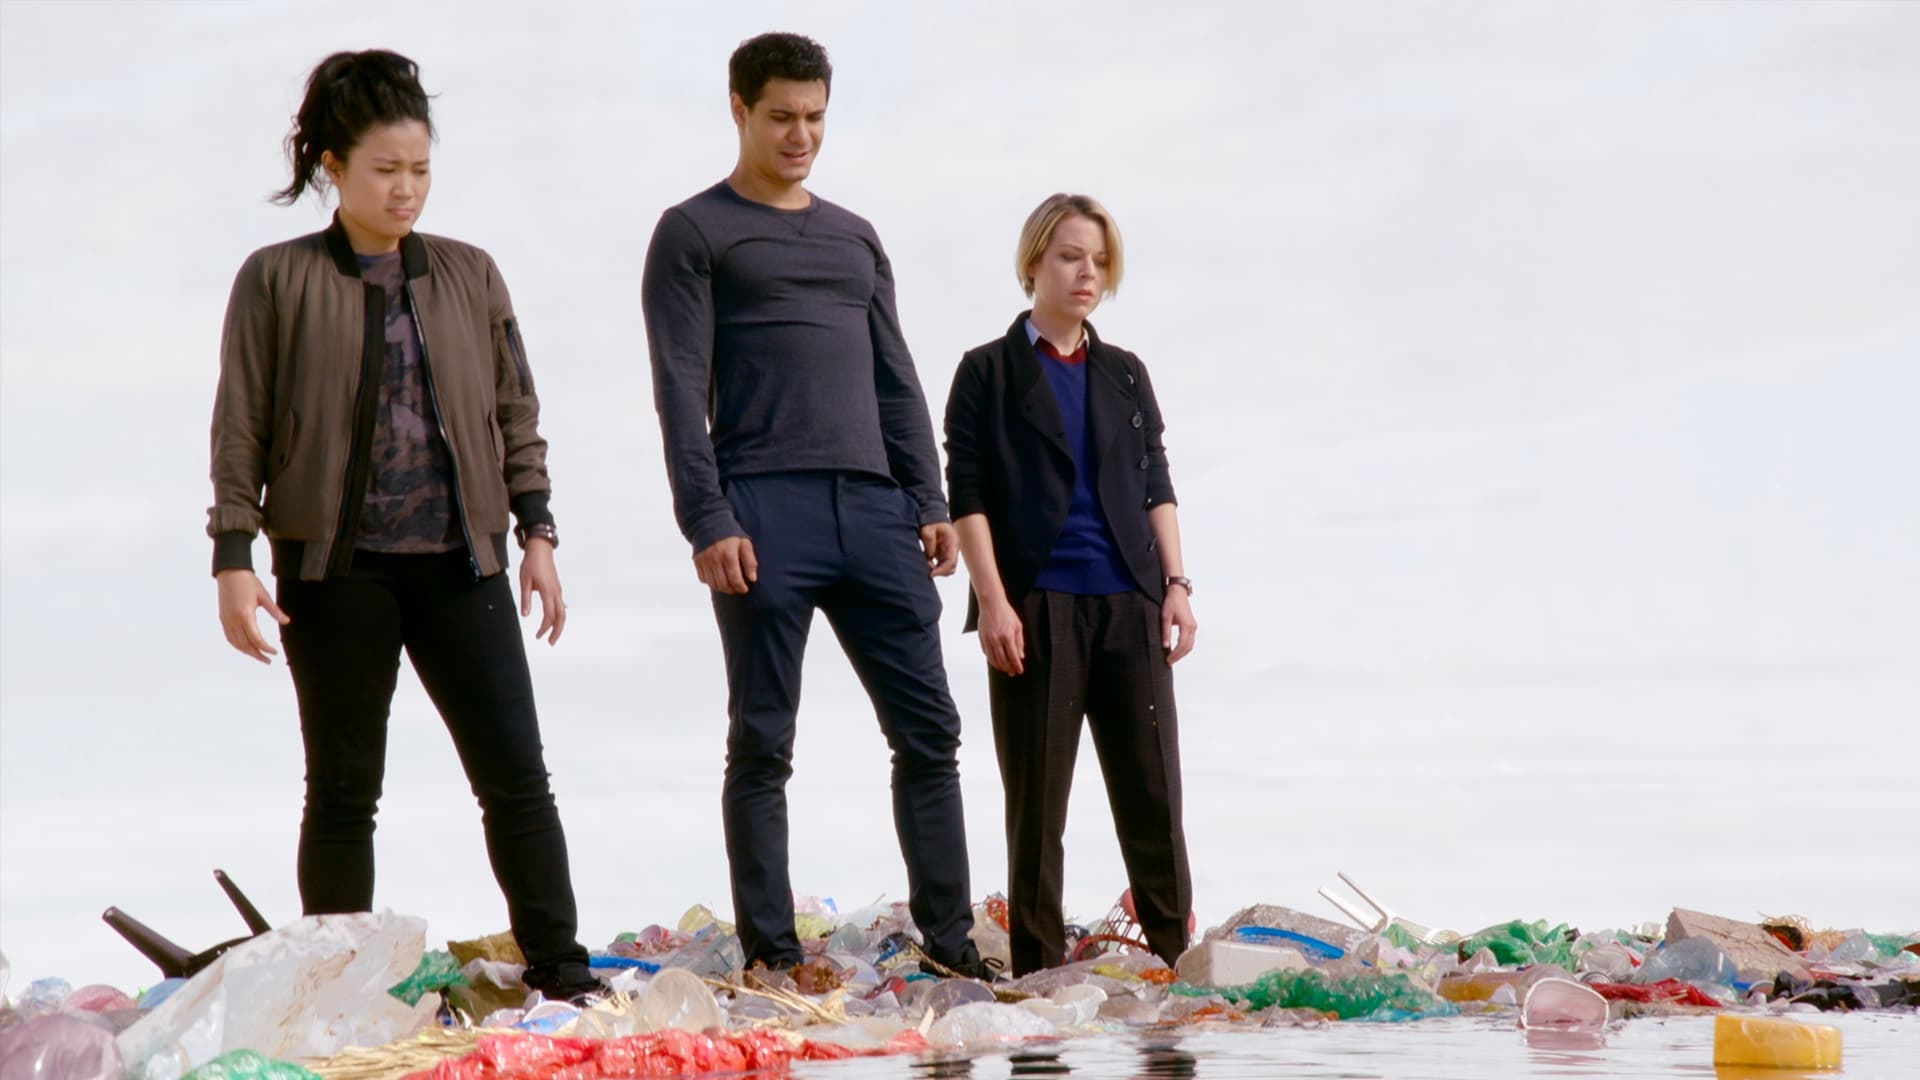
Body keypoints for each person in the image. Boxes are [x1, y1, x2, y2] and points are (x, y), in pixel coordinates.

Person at [206, 50, 600, 1002]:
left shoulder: (470, 273)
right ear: (333, 167)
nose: (407, 189)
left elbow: (515, 410)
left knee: (517, 778)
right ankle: (336, 993)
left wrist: (538, 532)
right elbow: (241, 423)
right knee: (344, 794)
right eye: (386, 169)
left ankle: (562, 971)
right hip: (334, 574)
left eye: (421, 169)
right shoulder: (276, 278)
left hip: (463, 565)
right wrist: (233, 556)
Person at [642, 32, 988, 978]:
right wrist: (707, 518)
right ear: (740, 110)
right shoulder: (694, 231)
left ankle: (953, 950)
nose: (801, 135)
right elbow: (677, 386)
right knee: (763, 741)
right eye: (782, 117)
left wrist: (930, 498)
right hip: (762, 508)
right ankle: (774, 957)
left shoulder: (855, 235)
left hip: (875, 507)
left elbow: (894, 375)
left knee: (931, 732)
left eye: (815, 118)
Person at [943, 194, 1198, 975]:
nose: (1087, 273)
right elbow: (967, 493)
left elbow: (1156, 481)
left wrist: (1177, 584)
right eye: (1069, 256)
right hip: (1035, 606)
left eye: (1099, 260)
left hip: (1131, 601)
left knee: (1155, 799)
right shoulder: (986, 371)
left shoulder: (1125, 373)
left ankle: (1174, 966)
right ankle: (1040, 978)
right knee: (1037, 807)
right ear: (1034, 263)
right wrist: (993, 601)